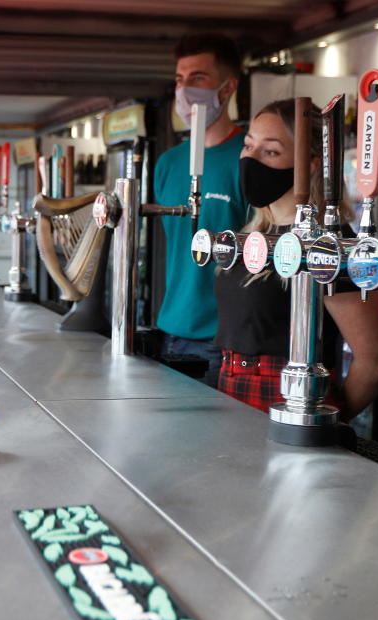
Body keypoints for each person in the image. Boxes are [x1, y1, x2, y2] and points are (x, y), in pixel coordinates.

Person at [215, 99, 378, 419]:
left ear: (311, 164)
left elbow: (376, 359)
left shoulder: (328, 244)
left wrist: (324, 423)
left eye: (270, 151)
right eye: (248, 146)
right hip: (232, 393)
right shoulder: (258, 234)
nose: (250, 160)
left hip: (287, 403)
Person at [154, 33, 249, 387]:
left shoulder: (250, 157)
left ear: (227, 88)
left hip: (225, 340)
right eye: (180, 80)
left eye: (198, 79)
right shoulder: (168, 163)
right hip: (170, 329)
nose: (184, 91)